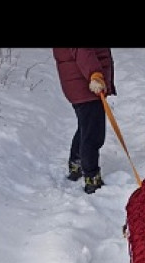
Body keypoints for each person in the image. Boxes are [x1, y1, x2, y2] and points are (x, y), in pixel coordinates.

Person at [52, 48, 116, 194]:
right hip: (86, 85)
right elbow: (83, 52)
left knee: (85, 127)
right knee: (93, 135)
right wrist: (95, 75)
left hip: (79, 84)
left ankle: (77, 163)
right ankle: (92, 176)